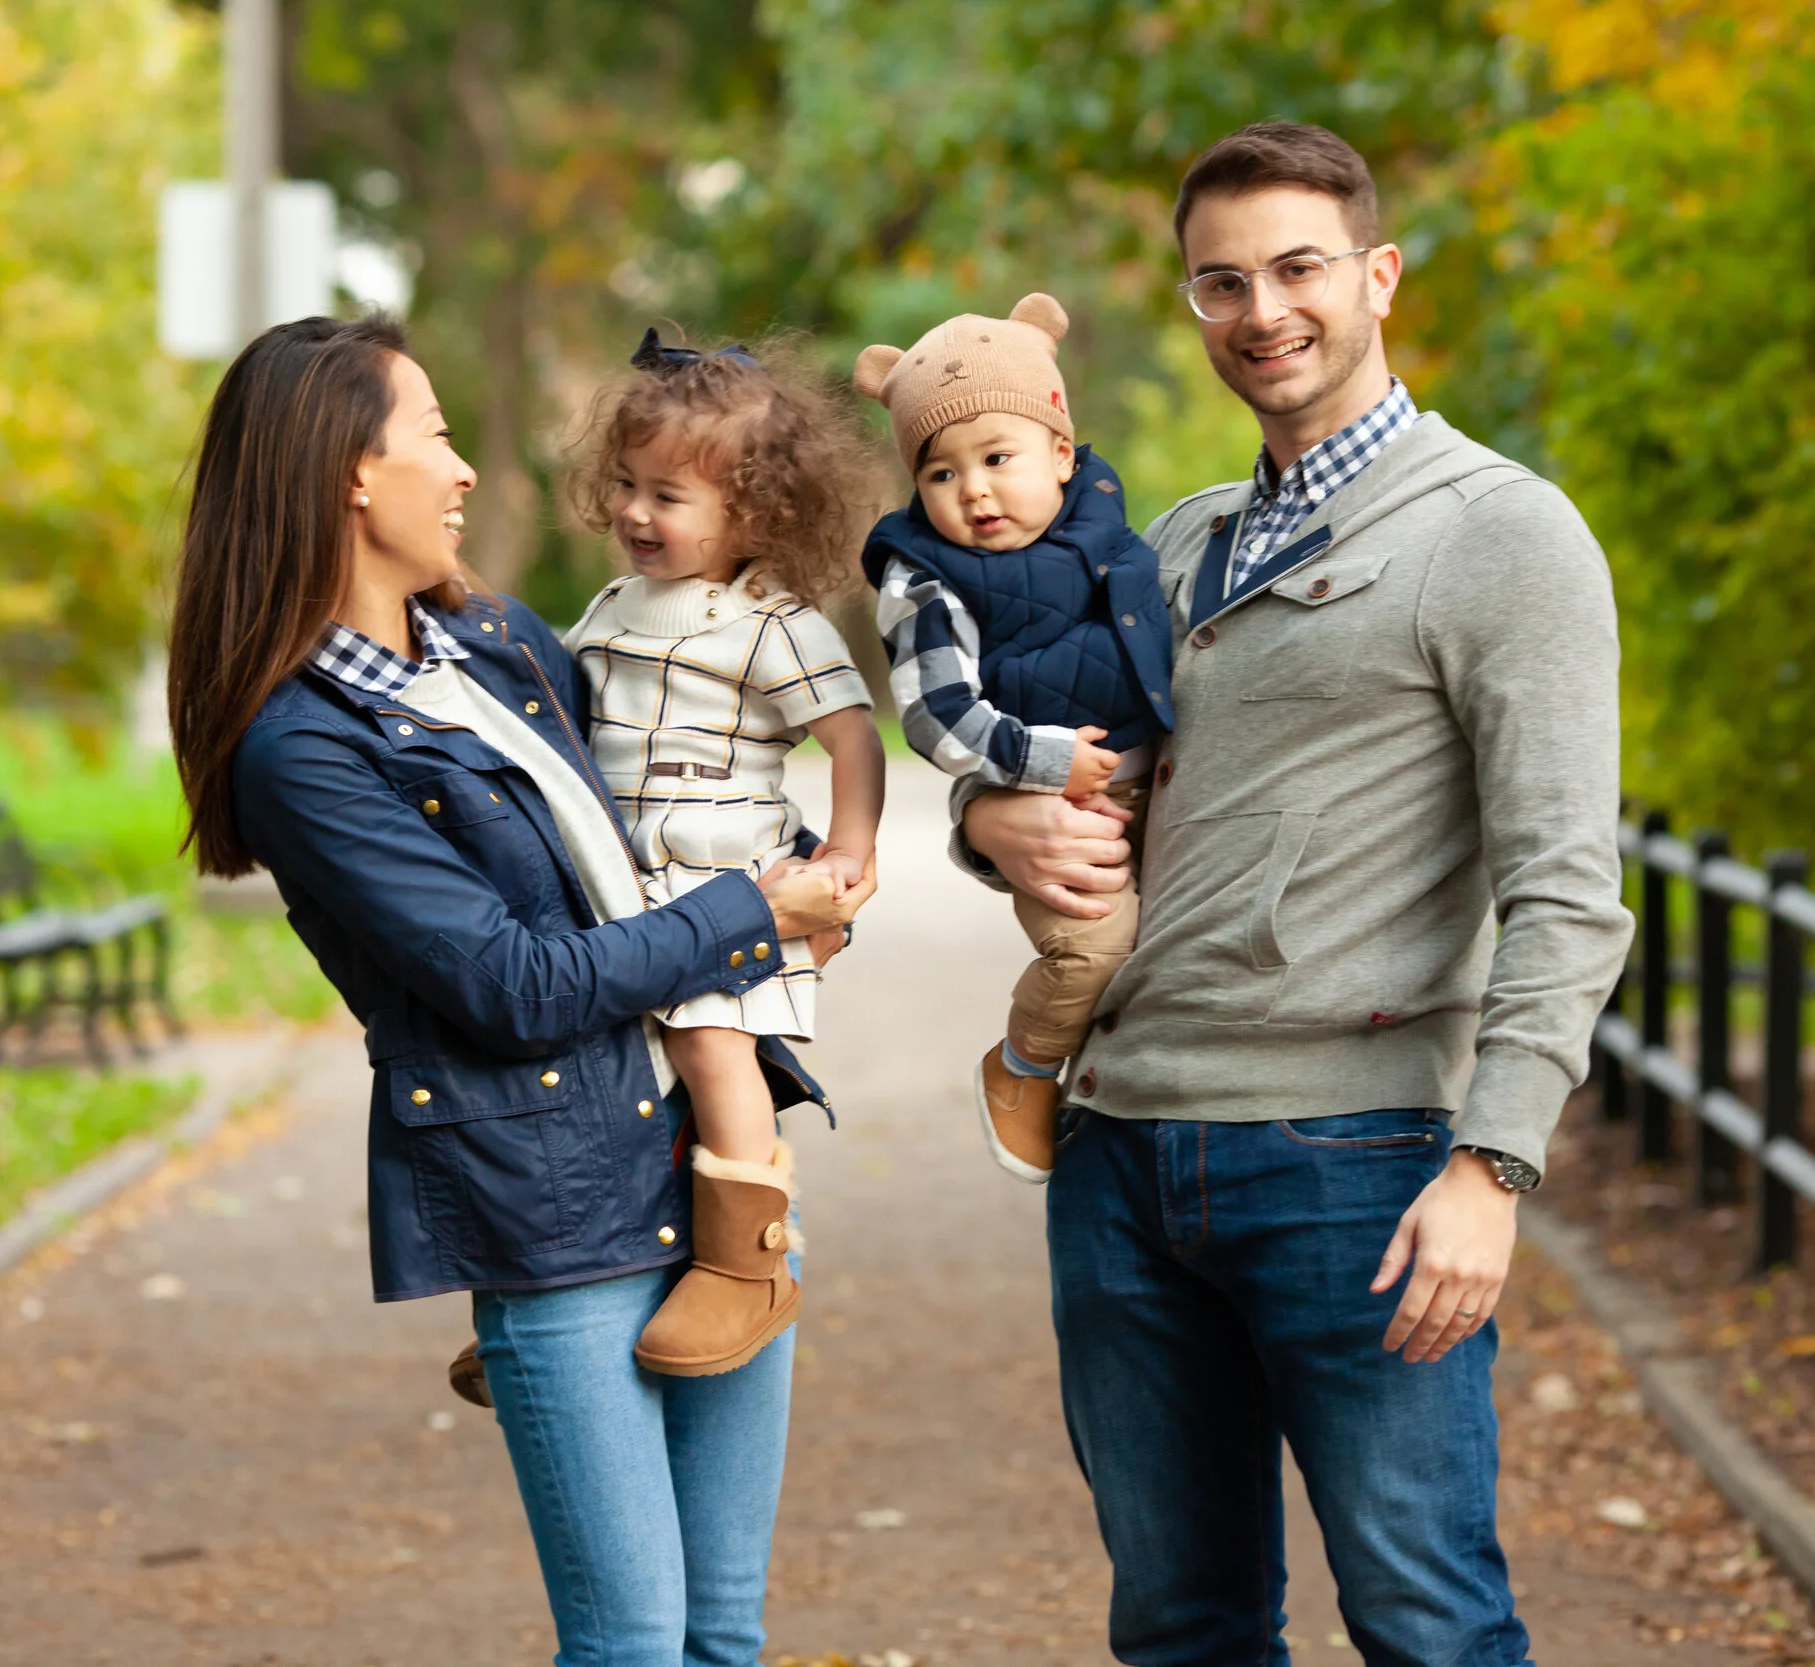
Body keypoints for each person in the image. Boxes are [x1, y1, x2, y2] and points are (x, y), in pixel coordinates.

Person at [954, 123, 1635, 1664]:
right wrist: (986, 815)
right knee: (1180, 1623)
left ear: (1378, 276)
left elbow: (1568, 886)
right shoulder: (1171, 543)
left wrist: (1497, 1162)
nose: (1262, 310)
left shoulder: (1497, 533)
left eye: (1298, 268)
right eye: (1221, 282)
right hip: (1119, 1152)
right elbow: (1070, 769)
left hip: (1353, 1161)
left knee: (1426, 1618)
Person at [164, 314, 873, 1667]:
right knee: (635, 1645)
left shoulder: (491, 643)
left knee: (722, 1633)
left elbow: (684, 757)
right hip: (556, 1215)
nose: (465, 468)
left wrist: (824, 863)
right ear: (351, 475)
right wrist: (749, 914)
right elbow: (511, 983)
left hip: (710, 1173)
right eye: (432, 433)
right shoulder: (303, 745)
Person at [559, 329, 889, 1377]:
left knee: (710, 1045)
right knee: (616, 1068)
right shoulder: (611, 606)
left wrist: (848, 848)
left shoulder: (771, 625)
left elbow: (850, 734)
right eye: (626, 484)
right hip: (619, 881)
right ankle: (582, 1288)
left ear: (752, 514)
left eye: (668, 495)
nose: (635, 513)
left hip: (725, 874)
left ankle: (747, 1266)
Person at [852, 290, 1174, 1183]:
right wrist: (1039, 765)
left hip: (1167, 783)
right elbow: (934, 712)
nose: (974, 491)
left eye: (997, 457)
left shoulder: (1124, 535)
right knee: (1093, 946)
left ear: (1062, 453)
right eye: (939, 474)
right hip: (1057, 796)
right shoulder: (926, 578)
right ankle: (1024, 1066)